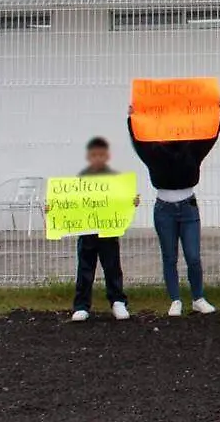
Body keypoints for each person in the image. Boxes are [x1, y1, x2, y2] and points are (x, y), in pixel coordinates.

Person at [128, 102, 220, 317]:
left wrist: (217, 113)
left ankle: (198, 298)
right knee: (169, 257)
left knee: (193, 256)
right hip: (164, 209)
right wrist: (132, 119)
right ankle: (175, 300)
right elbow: (137, 141)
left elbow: (210, 137)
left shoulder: (192, 148)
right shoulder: (153, 150)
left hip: (188, 207)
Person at [67, 137, 141, 322]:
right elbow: (68, 203)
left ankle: (117, 301)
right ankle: (81, 306)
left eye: (101, 154)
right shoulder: (81, 180)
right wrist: (53, 208)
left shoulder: (115, 180)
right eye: (94, 155)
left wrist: (132, 202)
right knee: (85, 269)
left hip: (109, 232)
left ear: (107, 156)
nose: (98, 158)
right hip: (87, 232)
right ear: (88, 156)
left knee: (112, 267)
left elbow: (123, 202)